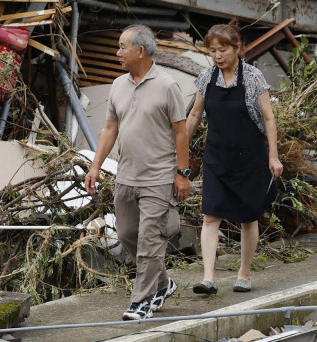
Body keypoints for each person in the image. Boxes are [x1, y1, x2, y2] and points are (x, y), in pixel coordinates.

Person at [84, 25, 192, 321]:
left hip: (158, 179)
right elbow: (109, 129)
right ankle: (163, 283)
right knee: (127, 233)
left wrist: (182, 173)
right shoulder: (118, 85)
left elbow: (181, 133)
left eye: (122, 47)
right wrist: (95, 166)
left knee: (149, 241)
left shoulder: (167, 86)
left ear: (140, 51)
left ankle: (140, 303)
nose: (117, 53)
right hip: (127, 176)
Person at [186, 21, 283, 295]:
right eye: (213, 51)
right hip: (216, 157)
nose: (217, 56)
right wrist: (178, 151)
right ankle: (208, 278)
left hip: (249, 157)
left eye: (223, 50)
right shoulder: (207, 78)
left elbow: (268, 118)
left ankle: (245, 273)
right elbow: (194, 116)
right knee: (210, 216)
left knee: (248, 218)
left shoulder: (253, 77)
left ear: (237, 48)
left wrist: (273, 157)